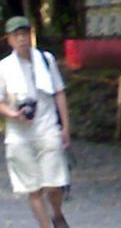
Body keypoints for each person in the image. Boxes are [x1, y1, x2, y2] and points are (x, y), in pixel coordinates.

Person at [0, 16, 70, 228]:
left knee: (55, 184)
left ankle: (57, 213)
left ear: (31, 36)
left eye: (24, 34)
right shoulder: (4, 67)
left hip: (47, 128)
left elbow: (59, 92)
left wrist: (66, 127)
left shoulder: (46, 60)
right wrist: (13, 114)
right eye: (16, 35)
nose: (21, 39)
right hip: (19, 135)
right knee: (34, 189)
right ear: (9, 39)